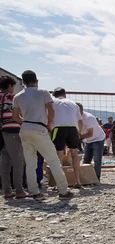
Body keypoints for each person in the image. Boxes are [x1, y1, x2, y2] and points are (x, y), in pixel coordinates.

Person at [12, 70, 73, 199]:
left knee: (30, 163)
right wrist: (49, 124)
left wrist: (26, 121)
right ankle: (63, 190)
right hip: (39, 128)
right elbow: (51, 110)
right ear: (36, 81)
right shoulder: (43, 93)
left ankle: (34, 192)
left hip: (25, 128)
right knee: (53, 159)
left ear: (23, 82)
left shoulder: (18, 96)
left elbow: (15, 117)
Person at [0, 75, 27, 199]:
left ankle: (7, 190)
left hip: (1, 132)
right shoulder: (12, 98)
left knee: (4, 162)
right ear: (10, 86)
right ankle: (19, 190)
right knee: (18, 161)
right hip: (12, 130)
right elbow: (17, 114)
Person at [52, 87, 84, 187]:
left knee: (59, 156)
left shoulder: (53, 102)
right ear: (65, 94)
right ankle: (78, 181)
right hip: (73, 128)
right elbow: (80, 121)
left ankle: (59, 183)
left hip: (58, 128)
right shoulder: (73, 104)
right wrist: (78, 132)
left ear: (54, 95)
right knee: (74, 155)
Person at [77, 103, 105, 181]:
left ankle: (96, 178)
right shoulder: (75, 117)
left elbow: (90, 133)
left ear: (80, 110)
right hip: (88, 140)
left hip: (98, 139)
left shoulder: (88, 118)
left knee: (97, 159)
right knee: (86, 160)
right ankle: (86, 178)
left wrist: (77, 137)